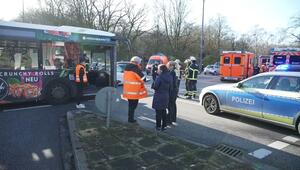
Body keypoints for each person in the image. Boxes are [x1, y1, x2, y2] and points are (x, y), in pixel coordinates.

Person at [123, 56, 148, 123]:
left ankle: (130, 118)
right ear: (137, 62)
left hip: (128, 91)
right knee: (133, 106)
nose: (140, 64)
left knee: (130, 105)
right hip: (134, 91)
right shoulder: (135, 69)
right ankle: (130, 119)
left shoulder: (126, 68)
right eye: (139, 62)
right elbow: (143, 78)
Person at [152, 64, 172, 131]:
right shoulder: (169, 76)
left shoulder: (159, 77)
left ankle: (158, 126)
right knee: (163, 111)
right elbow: (171, 88)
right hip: (166, 96)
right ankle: (164, 126)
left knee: (158, 112)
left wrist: (154, 81)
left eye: (158, 69)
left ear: (161, 70)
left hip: (159, 96)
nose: (157, 70)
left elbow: (155, 87)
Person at [167, 61, 178, 126]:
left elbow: (171, 83)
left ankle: (169, 120)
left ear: (171, 66)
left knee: (170, 106)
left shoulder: (172, 72)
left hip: (172, 91)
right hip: (174, 90)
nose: (167, 66)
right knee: (173, 105)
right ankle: (173, 118)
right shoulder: (174, 72)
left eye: (168, 65)